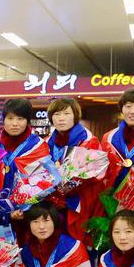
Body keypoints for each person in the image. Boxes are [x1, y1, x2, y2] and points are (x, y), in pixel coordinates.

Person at [43, 98, 107, 244]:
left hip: (80, 203)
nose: (61, 119)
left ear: (75, 116)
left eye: (66, 114)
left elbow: (96, 174)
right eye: (57, 114)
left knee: (77, 243)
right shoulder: (46, 142)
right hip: (52, 203)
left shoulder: (88, 141)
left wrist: (68, 187)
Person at [0, 99, 49, 197]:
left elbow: (44, 180)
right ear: (3, 120)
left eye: (20, 118)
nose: (15, 123)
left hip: (26, 206)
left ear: (27, 121)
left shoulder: (38, 145)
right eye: (10, 118)